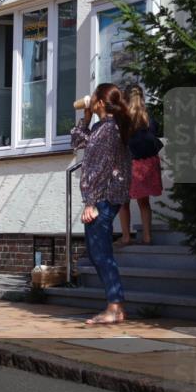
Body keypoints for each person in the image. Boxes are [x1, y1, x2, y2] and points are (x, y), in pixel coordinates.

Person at [71, 83, 133, 325]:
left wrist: (91, 202)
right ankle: (114, 305)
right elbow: (77, 143)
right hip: (104, 198)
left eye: (93, 95)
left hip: (103, 198)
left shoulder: (109, 130)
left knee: (101, 253)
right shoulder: (101, 127)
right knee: (97, 253)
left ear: (99, 102)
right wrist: (85, 120)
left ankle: (115, 307)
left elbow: (100, 168)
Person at [118, 84, 162, 246]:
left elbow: (120, 141)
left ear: (126, 98)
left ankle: (126, 237)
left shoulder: (124, 118)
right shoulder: (148, 117)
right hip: (148, 163)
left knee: (123, 202)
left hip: (130, 164)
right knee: (144, 203)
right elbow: (155, 132)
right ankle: (147, 237)